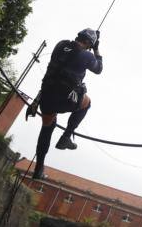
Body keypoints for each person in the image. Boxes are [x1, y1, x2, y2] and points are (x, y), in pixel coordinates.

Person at [31, 28, 103, 179]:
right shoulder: (87, 55)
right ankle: (66, 137)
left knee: (47, 127)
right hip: (65, 100)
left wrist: (37, 100)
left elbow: (53, 72)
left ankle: (38, 169)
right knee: (87, 102)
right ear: (89, 44)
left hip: (46, 97)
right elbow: (99, 69)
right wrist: (97, 49)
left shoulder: (60, 45)